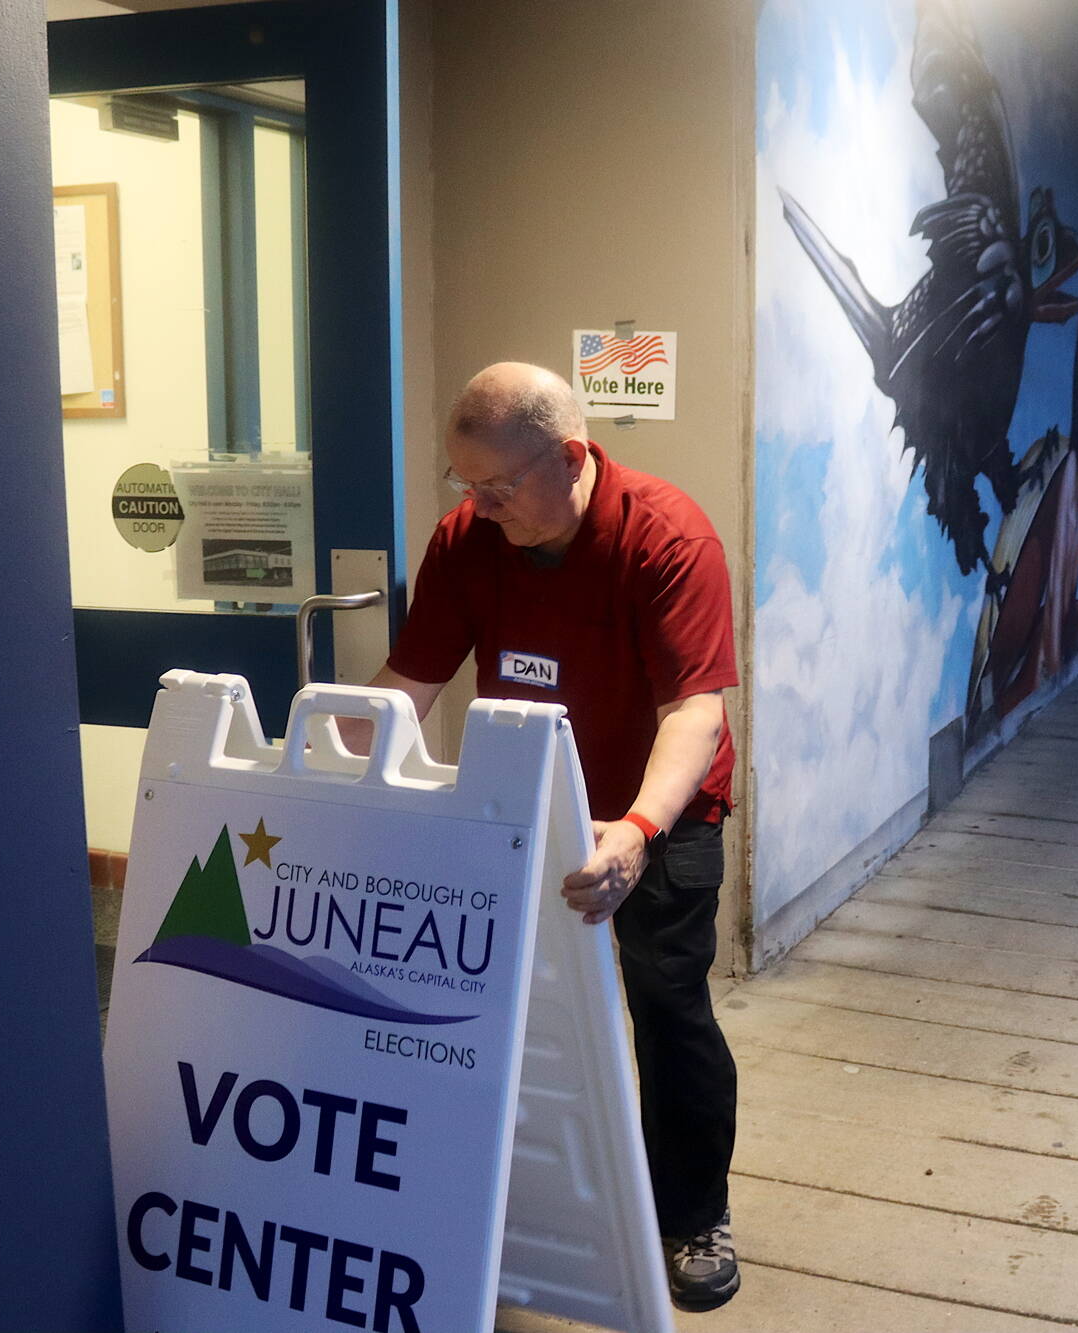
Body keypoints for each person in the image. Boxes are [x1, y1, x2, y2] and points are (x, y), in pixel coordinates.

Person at [356, 362, 742, 1313]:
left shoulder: (666, 535)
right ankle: (510, 1202)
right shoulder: (469, 541)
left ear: (569, 458)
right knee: (504, 1007)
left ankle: (692, 1215)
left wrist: (640, 829)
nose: (478, 507)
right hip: (527, 810)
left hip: (658, 810)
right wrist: (327, 776)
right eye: (466, 487)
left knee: (666, 1004)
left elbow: (696, 710)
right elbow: (404, 691)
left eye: (496, 486)